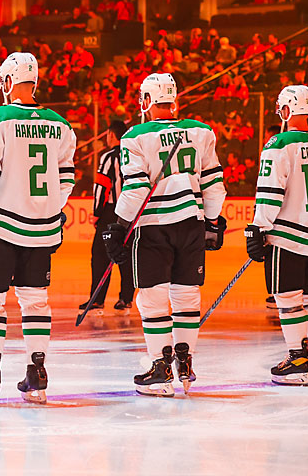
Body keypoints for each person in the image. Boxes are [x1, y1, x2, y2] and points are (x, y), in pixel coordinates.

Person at [0, 52, 76, 405]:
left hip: (0, 227)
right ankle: (37, 374)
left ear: (7, 82)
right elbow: (66, 180)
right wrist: (49, 211)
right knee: (36, 302)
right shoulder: (61, 124)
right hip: (42, 229)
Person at [104, 73, 227, 397]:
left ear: (146, 101)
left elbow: (136, 187)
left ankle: (160, 367)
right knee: (186, 296)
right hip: (190, 222)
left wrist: (118, 226)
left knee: (152, 298)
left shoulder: (135, 136)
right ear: (174, 101)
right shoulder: (201, 131)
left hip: (153, 225)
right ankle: (184, 363)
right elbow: (214, 184)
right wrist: (212, 222)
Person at [245, 85, 308, 386]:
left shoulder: (279, 143)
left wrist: (257, 227)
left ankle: (297, 360)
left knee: (287, 298)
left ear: (286, 110)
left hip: (287, 235)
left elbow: (270, 193)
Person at [81, 120, 134, 311]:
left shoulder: (109, 157)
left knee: (101, 255)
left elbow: (101, 186)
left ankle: (97, 298)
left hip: (112, 213)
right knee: (126, 254)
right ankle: (126, 298)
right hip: (132, 212)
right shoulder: (134, 154)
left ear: (111, 135)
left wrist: (96, 213)